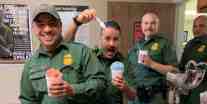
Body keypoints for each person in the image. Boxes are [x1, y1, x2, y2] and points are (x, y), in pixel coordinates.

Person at [19, 4, 106, 104]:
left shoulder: (81, 52)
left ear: (60, 26)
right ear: (34, 29)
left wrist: (73, 90)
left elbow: (101, 83)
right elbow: (27, 99)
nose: (47, 29)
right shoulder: (30, 64)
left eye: (52, 24)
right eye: (41, 25)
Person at [63, 9, 136, 104]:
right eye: (107, 38)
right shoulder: (89, 56)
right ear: (100, 38)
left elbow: (133, 96)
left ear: (120, 40)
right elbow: (66, 44)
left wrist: (125, 88)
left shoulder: (125, 63)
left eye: (115, 39)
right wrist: (77, 22)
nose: (112, 44)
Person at [128, 12, 178, 104]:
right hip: (135, 97)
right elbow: (130, 70)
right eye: (146, 23)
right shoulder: (136, 46)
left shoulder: (165, 44)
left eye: (153, 23)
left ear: (158, 25)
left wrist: (152, 64)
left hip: (155, 97)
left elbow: (174, 71)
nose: (149, 26)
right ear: (142, 25)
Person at [179, 15, 207, 104]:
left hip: (202, 90)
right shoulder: (189, 44)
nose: (197, 29)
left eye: (201, 26)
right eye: (195, 26)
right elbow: (182, 66)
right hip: (186, 91)